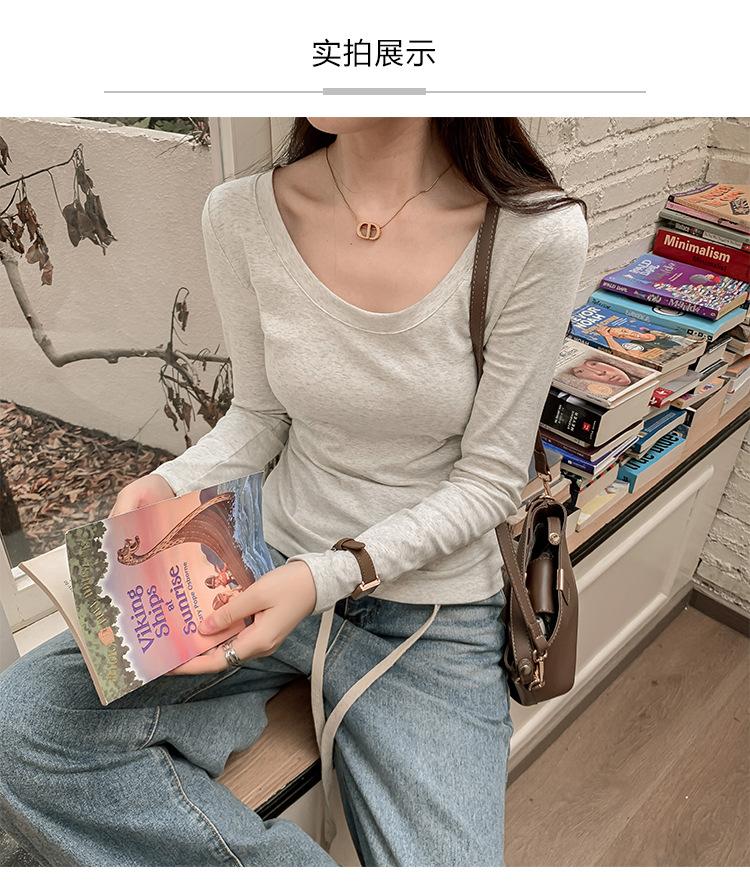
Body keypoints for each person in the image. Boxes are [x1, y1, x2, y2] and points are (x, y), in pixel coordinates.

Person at [0, 117, 589, 867]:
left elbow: (490, 480)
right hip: (262, 561)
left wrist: (328, 576)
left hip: (433, 616)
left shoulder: (534, 235)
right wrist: (167, 482)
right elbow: (259, 415)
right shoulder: (242, 214)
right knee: (25, 727)